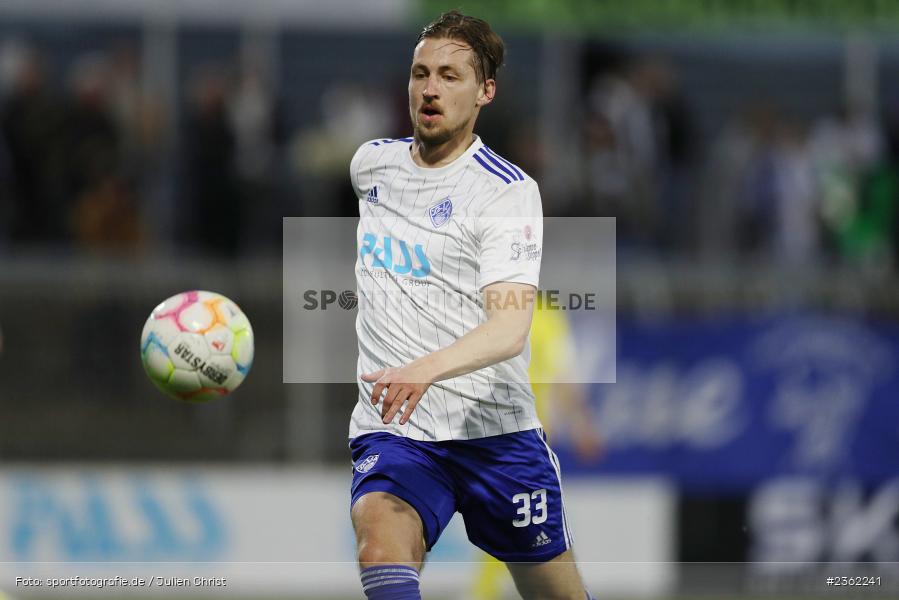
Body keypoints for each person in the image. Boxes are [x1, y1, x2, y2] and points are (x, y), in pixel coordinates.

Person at [347, 11, 595, 600]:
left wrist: (424, 369)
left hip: (497, 439)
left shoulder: (506, 192)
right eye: (421, 73)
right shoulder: (371, 165)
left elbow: (510, 328)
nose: (430, 88)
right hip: (397, 430)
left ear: (485, 92)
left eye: (451, 76)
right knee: (379, 545)